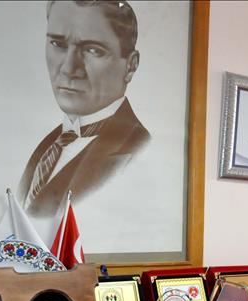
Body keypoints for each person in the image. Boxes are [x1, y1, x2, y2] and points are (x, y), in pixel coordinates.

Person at [16, 0, 150, 218]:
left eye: (93, 50)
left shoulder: (138, 151)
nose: (69, 68)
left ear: (131, 66)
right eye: (58, 44)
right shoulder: (49, 144)